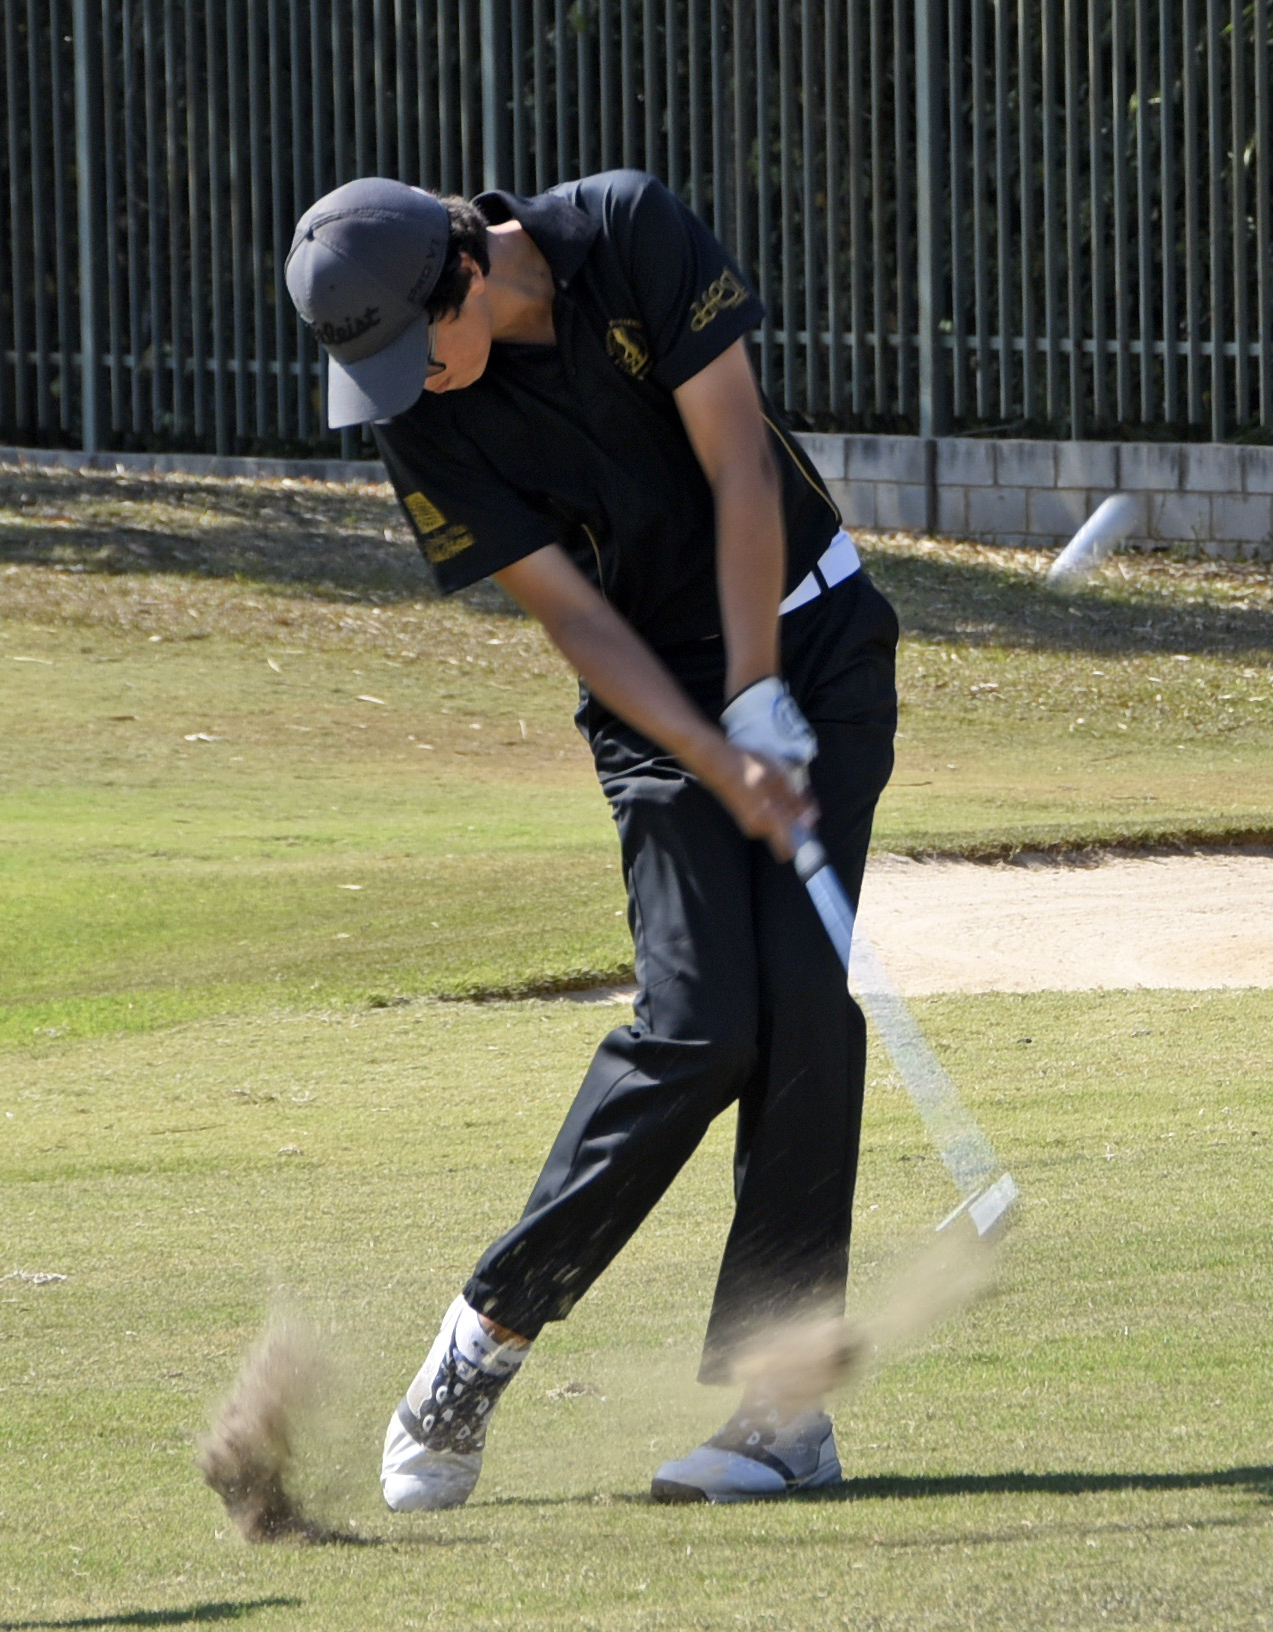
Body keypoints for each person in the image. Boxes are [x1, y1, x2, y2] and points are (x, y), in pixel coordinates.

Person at [282, 170, 897, 1509]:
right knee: (700, 1026)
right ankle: (482, 1340)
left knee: (805, 1010)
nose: (404, 387)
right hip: (653, 697)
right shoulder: (420, 421)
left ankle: (783, 1415)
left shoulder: (627, 232)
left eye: (412, 350)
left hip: (815, 640)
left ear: (462, 276)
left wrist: (759, 688)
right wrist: (717, 747)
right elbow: (575, 617)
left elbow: (739, 463)